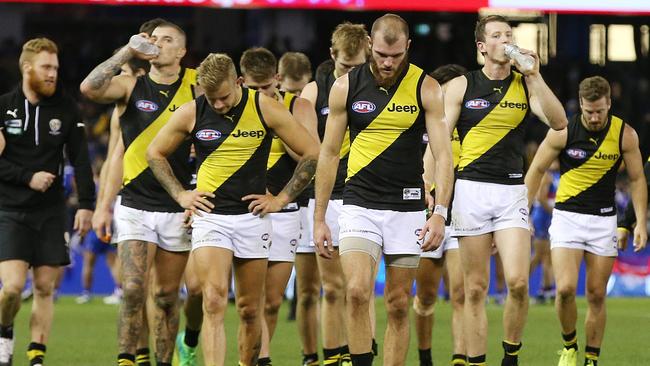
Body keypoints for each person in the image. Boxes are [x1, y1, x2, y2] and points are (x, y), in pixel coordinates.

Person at [146, 53, 319, 366]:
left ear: (239, 82)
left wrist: (280, 199)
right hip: (210, 218)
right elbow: (154, 153)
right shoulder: (192, 112)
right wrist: (182, 195)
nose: (219, 104)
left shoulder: (263, 106)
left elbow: (312, 152)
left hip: (254, 219)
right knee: (213, 299)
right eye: (212, 98)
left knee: (250, 309)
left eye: (224, 97)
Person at [314, 14, 453, 365]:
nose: (387, 63)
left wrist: (440, 213)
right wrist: (319, 217)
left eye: (394, 55)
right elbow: (329, 154)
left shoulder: (426, 87)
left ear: (407, 47)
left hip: (406, 208)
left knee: (397, 303)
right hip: (358, 203)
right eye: (379, 54)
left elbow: (443, 155)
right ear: (368, 47)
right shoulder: (346, 86)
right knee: (358, 291)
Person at [444, 15, 568, 366]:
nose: (505, 40)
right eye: (497, 35)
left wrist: (535, 74)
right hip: (470, 190)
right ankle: (476, 360)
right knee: (476, 288)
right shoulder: (461, 86)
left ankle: (510, 356)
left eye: (509, 34)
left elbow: (559, 122)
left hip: (511, 191)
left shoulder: (524, 84)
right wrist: (437, 194)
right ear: (482, 47)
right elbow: (439, 144)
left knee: (517, 282)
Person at [80, 20, 197, 366]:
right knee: (132, 290)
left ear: (181, 51)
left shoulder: (197, 88)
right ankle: (127, 359)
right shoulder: (131, 86)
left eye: (168, 40)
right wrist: (127, 52)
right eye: (154, 39)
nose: (159, 44)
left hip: (178, 204)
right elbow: (89, 87)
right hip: (134, 204)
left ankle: (163, 361)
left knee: (165, 296)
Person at [525, 76, 647, 366]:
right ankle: (569, 346)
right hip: (567, 218)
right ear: (580, 105)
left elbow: (638, 179)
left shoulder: (625, 135)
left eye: (600, 111)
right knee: (565, 289)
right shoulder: (563, 130)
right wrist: (522, 213)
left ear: (609, 105)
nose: (594, 117)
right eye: (589, 111)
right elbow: (537, 169)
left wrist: (639, 221)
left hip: (604, 220)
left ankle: (592, 358)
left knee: (595, 294)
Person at [0, 37, 95, 366]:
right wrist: (28, 176)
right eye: (46, 67)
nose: (53, 73)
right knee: (12, 288)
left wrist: (86, 204)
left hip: (51, 211)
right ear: (27, 68)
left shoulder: (67, 108)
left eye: (55, 67)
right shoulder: (3, 107)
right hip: (10, 209)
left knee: (44, 287)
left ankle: (36, 357)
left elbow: (81, 159)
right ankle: (5, 327)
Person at [238, 46, 318, 366]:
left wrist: (279, 122)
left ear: (278, 79)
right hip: (242, 214)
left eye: (266, 88)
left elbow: (309, 159)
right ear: (241, 82)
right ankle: (261, 360)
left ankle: (257, 357)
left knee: (271, 303)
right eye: (253, 89)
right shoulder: (230, 109)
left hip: (285, 212)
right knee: (250, 303)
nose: (260, 94)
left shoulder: (299, 107)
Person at [300, 22, 370, 366]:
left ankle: (361, 353)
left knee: (361, 289)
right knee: (332, 289)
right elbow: (308, 147)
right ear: (332, 56)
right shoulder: (315, 91)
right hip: (330, 196)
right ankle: (333, 358)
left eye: (358, 67)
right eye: (345, 66)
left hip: (367, 197)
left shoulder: (380, 87)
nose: (352, 74)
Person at [415, 64, 467, 366]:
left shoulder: (471, 125)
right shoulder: (422, 124)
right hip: (425, 215)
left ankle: (460, 357)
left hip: (462, 214)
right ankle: (425, 358)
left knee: (461, 293)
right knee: (426, 297)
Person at [529, 160, 560, 304]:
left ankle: (546, 289)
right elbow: (541, 198)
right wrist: (554, 212)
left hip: (548, 216)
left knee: (548, 256)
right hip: (542, 216)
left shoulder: (557, 175)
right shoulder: (547, 175)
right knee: (539, 255)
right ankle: (520, 281)